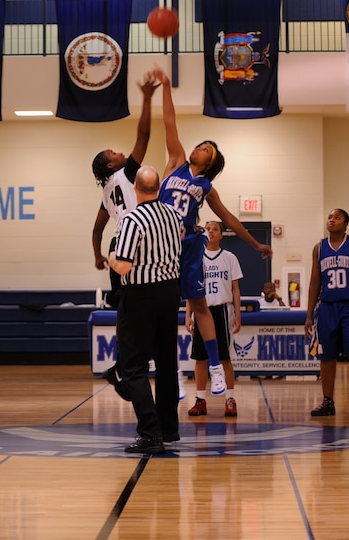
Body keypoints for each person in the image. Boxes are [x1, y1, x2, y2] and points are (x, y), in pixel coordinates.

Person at [153, 68, 273, 398]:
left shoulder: (206, 186)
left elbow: (231, 220)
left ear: (210, 161)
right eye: (200, 143)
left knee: (199, 305)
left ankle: (217, 368)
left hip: (189, 242)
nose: (199, 146)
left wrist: (256, 244)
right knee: (159, 310)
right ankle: (173, 371)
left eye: (206, 147)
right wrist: (165, 86)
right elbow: (169, 121)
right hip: (160, 243)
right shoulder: (175, 160)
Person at [108, 166, 183, 454]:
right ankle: (168, 428)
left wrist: (111, 258)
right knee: (166, 364)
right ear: (159, 187)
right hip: (170, 293)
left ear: (135, 189)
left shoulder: (132, 219)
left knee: (133, 367)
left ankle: (150, 433)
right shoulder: (174, 215)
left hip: (140, 295)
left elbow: (124, 265)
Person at [91, 73, 159, 309]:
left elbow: (97, 230)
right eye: (115, 153)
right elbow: (144, 136)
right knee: (145, 298)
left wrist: (97, 256)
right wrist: (148, 99)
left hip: (117, 245)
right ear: (112, 165)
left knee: (123, 304)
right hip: (138, 243)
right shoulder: (129, 172)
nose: (121, 153)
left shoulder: (106, 192)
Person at [304, 208, 349, 418]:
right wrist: (308, 315)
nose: (332, 220)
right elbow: (315, 282)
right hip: (326, 308)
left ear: (345, 223)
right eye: (330, 217)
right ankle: (328, 401)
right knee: (326, 357)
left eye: (337, 217)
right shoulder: (319, 248)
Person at [186, 221, 243, 418]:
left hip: (223, 311)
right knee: (200, 359)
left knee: (224, 358)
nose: (210, 231)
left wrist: (237, 314)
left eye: (215, 229)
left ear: (221, 235)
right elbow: (190, 288)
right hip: (201, 310)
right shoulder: (196, 258)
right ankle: (200, 400)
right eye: (207, 229)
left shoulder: (230, 258)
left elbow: (236, 289)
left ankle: (230, 398)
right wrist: (188, 316)